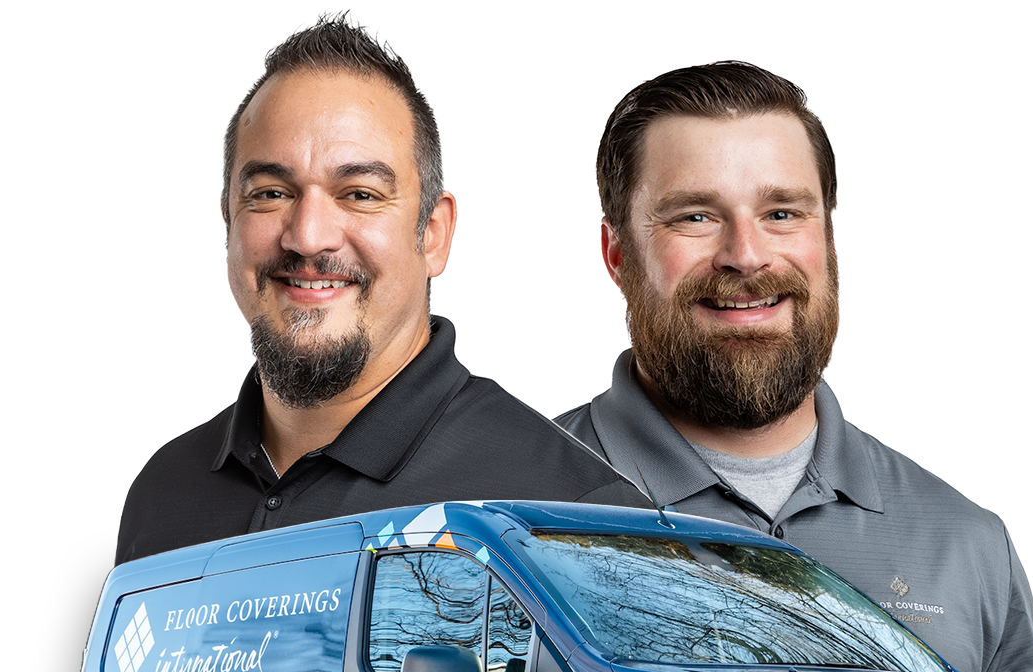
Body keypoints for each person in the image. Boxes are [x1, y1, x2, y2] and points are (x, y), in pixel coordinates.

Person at [558, 61, 1033, 672]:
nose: (747, 254)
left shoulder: (966, 546)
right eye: (695, 217)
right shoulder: (498, 507)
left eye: (783, 212)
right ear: (619, 256)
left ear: (829, 238)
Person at [121, 9, 648, 564]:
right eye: (271, 193)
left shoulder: (577, 518)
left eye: (360, 194)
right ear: (228, 223)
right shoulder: (160, 494)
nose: (307, 236)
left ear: (434, 234)